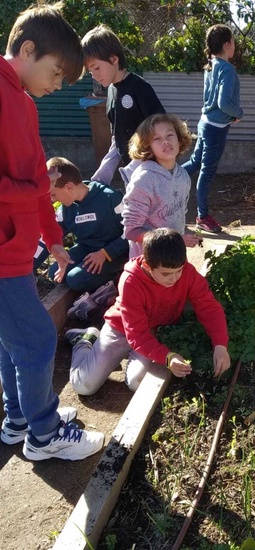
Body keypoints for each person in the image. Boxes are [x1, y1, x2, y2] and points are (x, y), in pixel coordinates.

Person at [0, 3, 104, 461]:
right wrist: (34, 190)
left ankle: (18, 417)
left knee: (11, 340)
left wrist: (54, 240)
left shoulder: (22, 102)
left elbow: (38, 186)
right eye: (57, 74)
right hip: (2, 253)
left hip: (17, 249)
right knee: (38, 339)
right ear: (27, 48)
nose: (56, 86)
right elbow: (33, 185)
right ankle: (43, 434)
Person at [65, 228, 231, 395]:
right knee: (84, 385)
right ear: (147, 265)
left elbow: (208, 307)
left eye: (178, 271)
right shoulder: (131, 281)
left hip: (152, 331)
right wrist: (168, 357)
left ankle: (130, 354)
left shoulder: (187, 272)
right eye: (166, 274)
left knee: (136, 383)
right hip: (122, 329)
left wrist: (220, 344)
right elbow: (136, 334)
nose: (174, 278)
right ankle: (85, 340)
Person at [82, 24, 165, 186]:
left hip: (152, 173)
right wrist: (104, 171)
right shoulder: (111, 92)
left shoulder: (139, 87)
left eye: (97, 67)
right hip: (131, 174)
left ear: (114, 59)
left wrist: (142, 164)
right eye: (91, 71)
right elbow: (118, 138)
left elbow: (161, 128)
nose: (94, 75)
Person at [34, 157, 128, 299]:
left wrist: (106, 253)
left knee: (75, 279)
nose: (52, 200)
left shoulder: (111, 198)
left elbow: (132, 231)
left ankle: (114, 281)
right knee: (55, 273)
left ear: (69, 187)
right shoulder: (66, 209)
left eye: (53, 194)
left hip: (113, 253)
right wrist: (29, 265)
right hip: (86, 249)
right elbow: (50, 235)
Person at [183, 24, 243, 234]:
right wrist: (238, 113)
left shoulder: (212, 64)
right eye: (233, 42)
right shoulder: (227, 69)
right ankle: (202, 215)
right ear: (227, 45)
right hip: (216, 128)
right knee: (206, 173)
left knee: (195, 162)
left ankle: (167, 177)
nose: (234, 45)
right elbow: (224, 102)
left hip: (205, 122)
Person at [120, 113, 201, 259]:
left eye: (170, 135)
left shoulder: (182, 175)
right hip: (148, 262)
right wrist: (175, 240)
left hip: (175, 257)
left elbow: (180, 213)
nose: (165, 141)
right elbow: (131, 231)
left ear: (179, 139)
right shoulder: (144, 179)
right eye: (157, 138)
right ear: (147, 146)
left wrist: (179, 240)